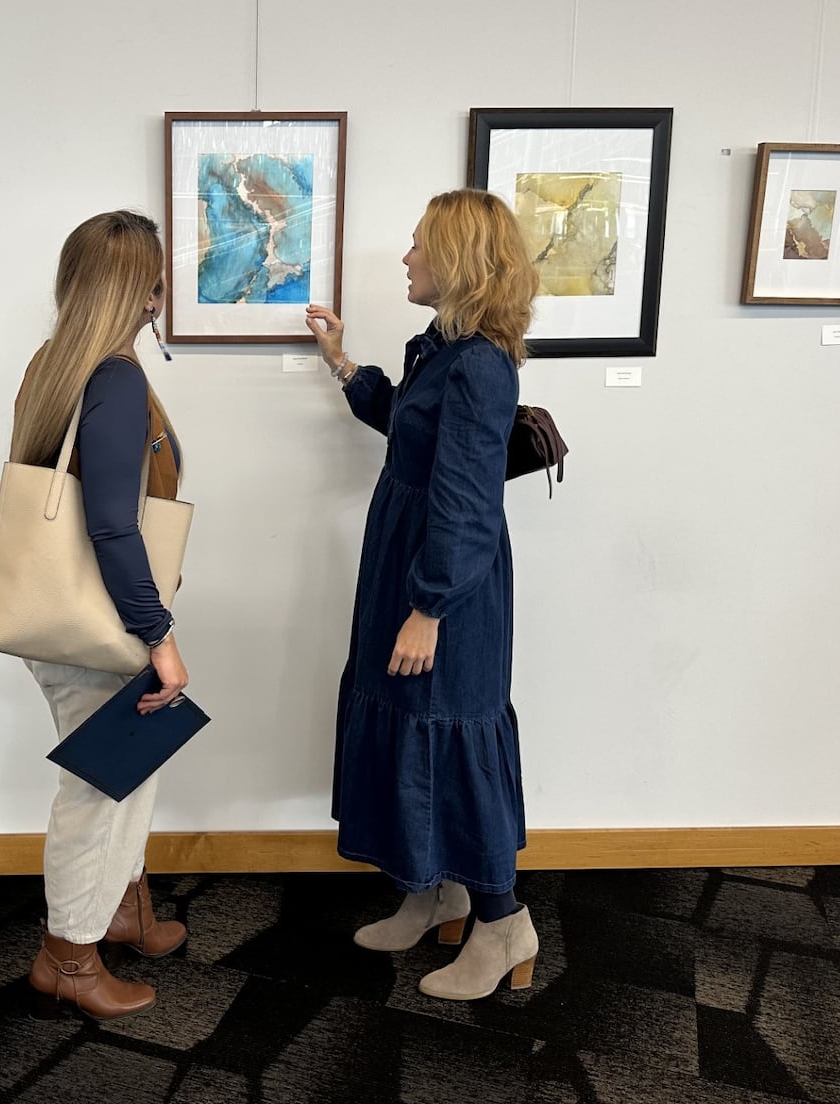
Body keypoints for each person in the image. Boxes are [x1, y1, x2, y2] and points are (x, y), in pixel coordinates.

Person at [305, 188, 541, 1001]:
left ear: (457, 260)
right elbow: (407, 425)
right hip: (405, 564)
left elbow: (470, 502)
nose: (405, 258)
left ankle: (503, 922)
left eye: (416, 246)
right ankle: (432, 887)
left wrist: (430, 606)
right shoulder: (439, 347)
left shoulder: (480, 365)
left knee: (451, 734)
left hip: (447, 581)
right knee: (409, 720)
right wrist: (341, 361)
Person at [10, 210, 190, 1021]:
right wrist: (161, 637)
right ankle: (67, 959)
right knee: (101, 791)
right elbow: (113, 525)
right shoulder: (113, 379)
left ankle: (115, 911)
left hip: (62, 613)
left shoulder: (54, 363)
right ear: (144, 289)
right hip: (105, 621)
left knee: (124, 774)